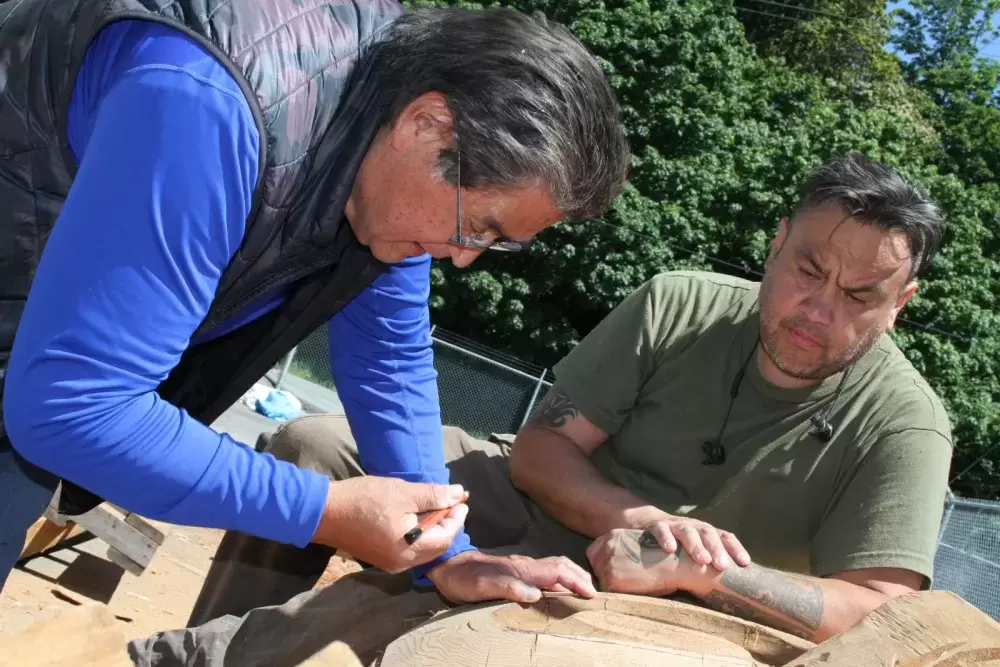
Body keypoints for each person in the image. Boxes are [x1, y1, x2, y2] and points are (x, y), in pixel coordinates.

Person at [136, 153, 952, 665]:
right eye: (807, 270)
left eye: (859, 295)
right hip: (554, 497)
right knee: (310, 440)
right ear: (775, 244)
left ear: (901, 303)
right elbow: (540, 452)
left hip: (688, 602)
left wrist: (706, 573)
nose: (819, 309)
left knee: (428, 610)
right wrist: (649, 520)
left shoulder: (905, 423)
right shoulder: (682, 300)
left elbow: (877, 611)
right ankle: (223, 647)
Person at [0, 0, 630, 594]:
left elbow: (388, 358)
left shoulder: (386, 156)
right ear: (427, 126)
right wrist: (321, 509)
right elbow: (76, 408)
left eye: (498, 244)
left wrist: (447, 551)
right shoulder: (208, 104)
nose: (463, 257)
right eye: (479, 227)